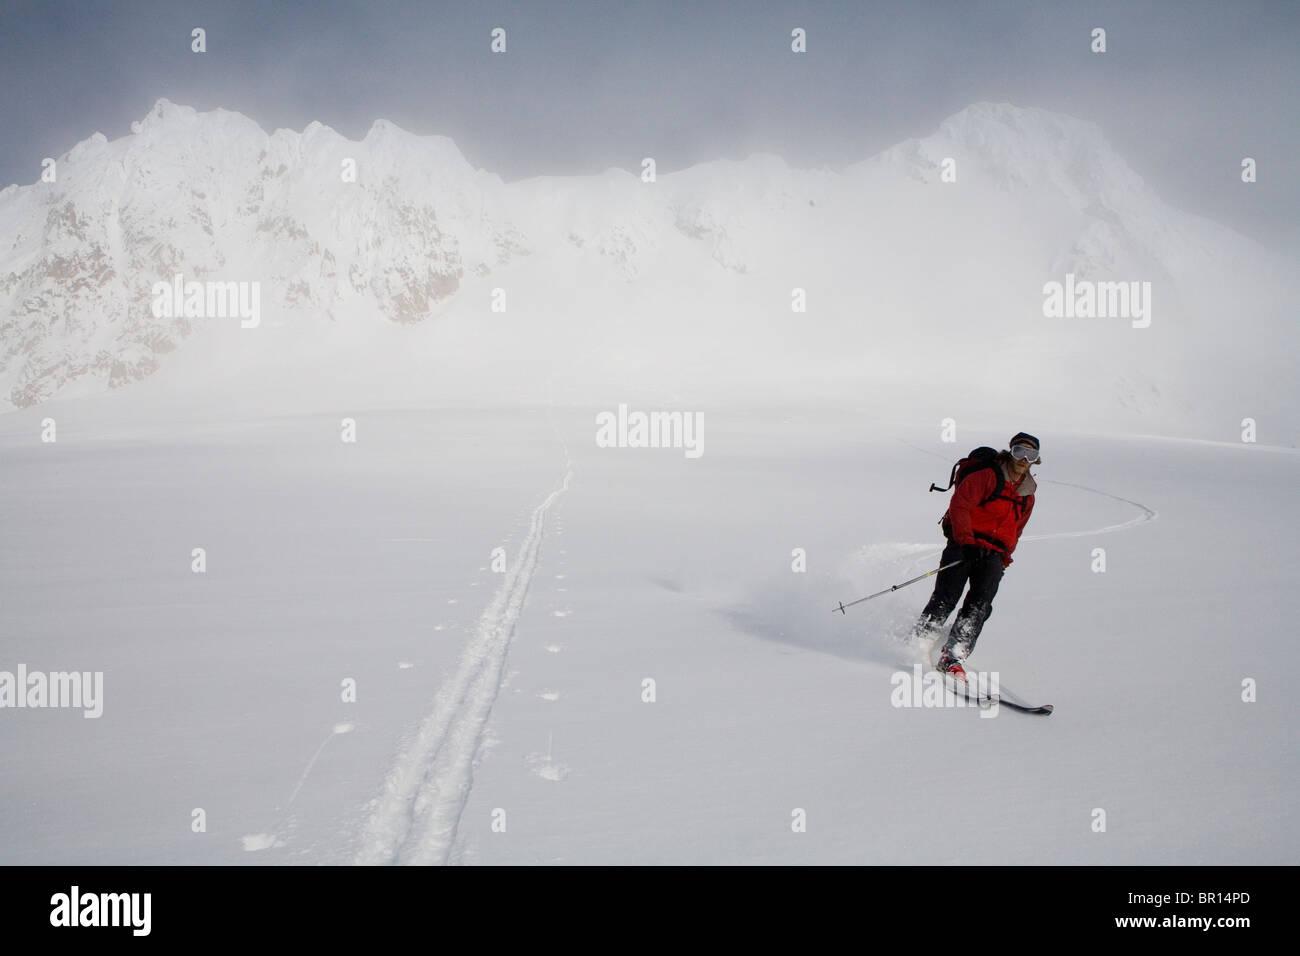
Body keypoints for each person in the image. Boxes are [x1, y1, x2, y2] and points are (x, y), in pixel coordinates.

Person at [913, 432, 1041, 680]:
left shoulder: (1028, 494)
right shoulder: (987, 476)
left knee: (979, 607)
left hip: (994, 553)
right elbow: (960, 505)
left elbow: (1017, 528)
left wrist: (1005, 557)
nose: (1024, 458)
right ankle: (917, 643)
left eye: (1031, 454)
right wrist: (966, 541)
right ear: (1010, 451)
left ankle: (953, 656)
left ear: (1036, 460)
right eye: (1019, 452)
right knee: (946, 597)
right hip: (965, 544)